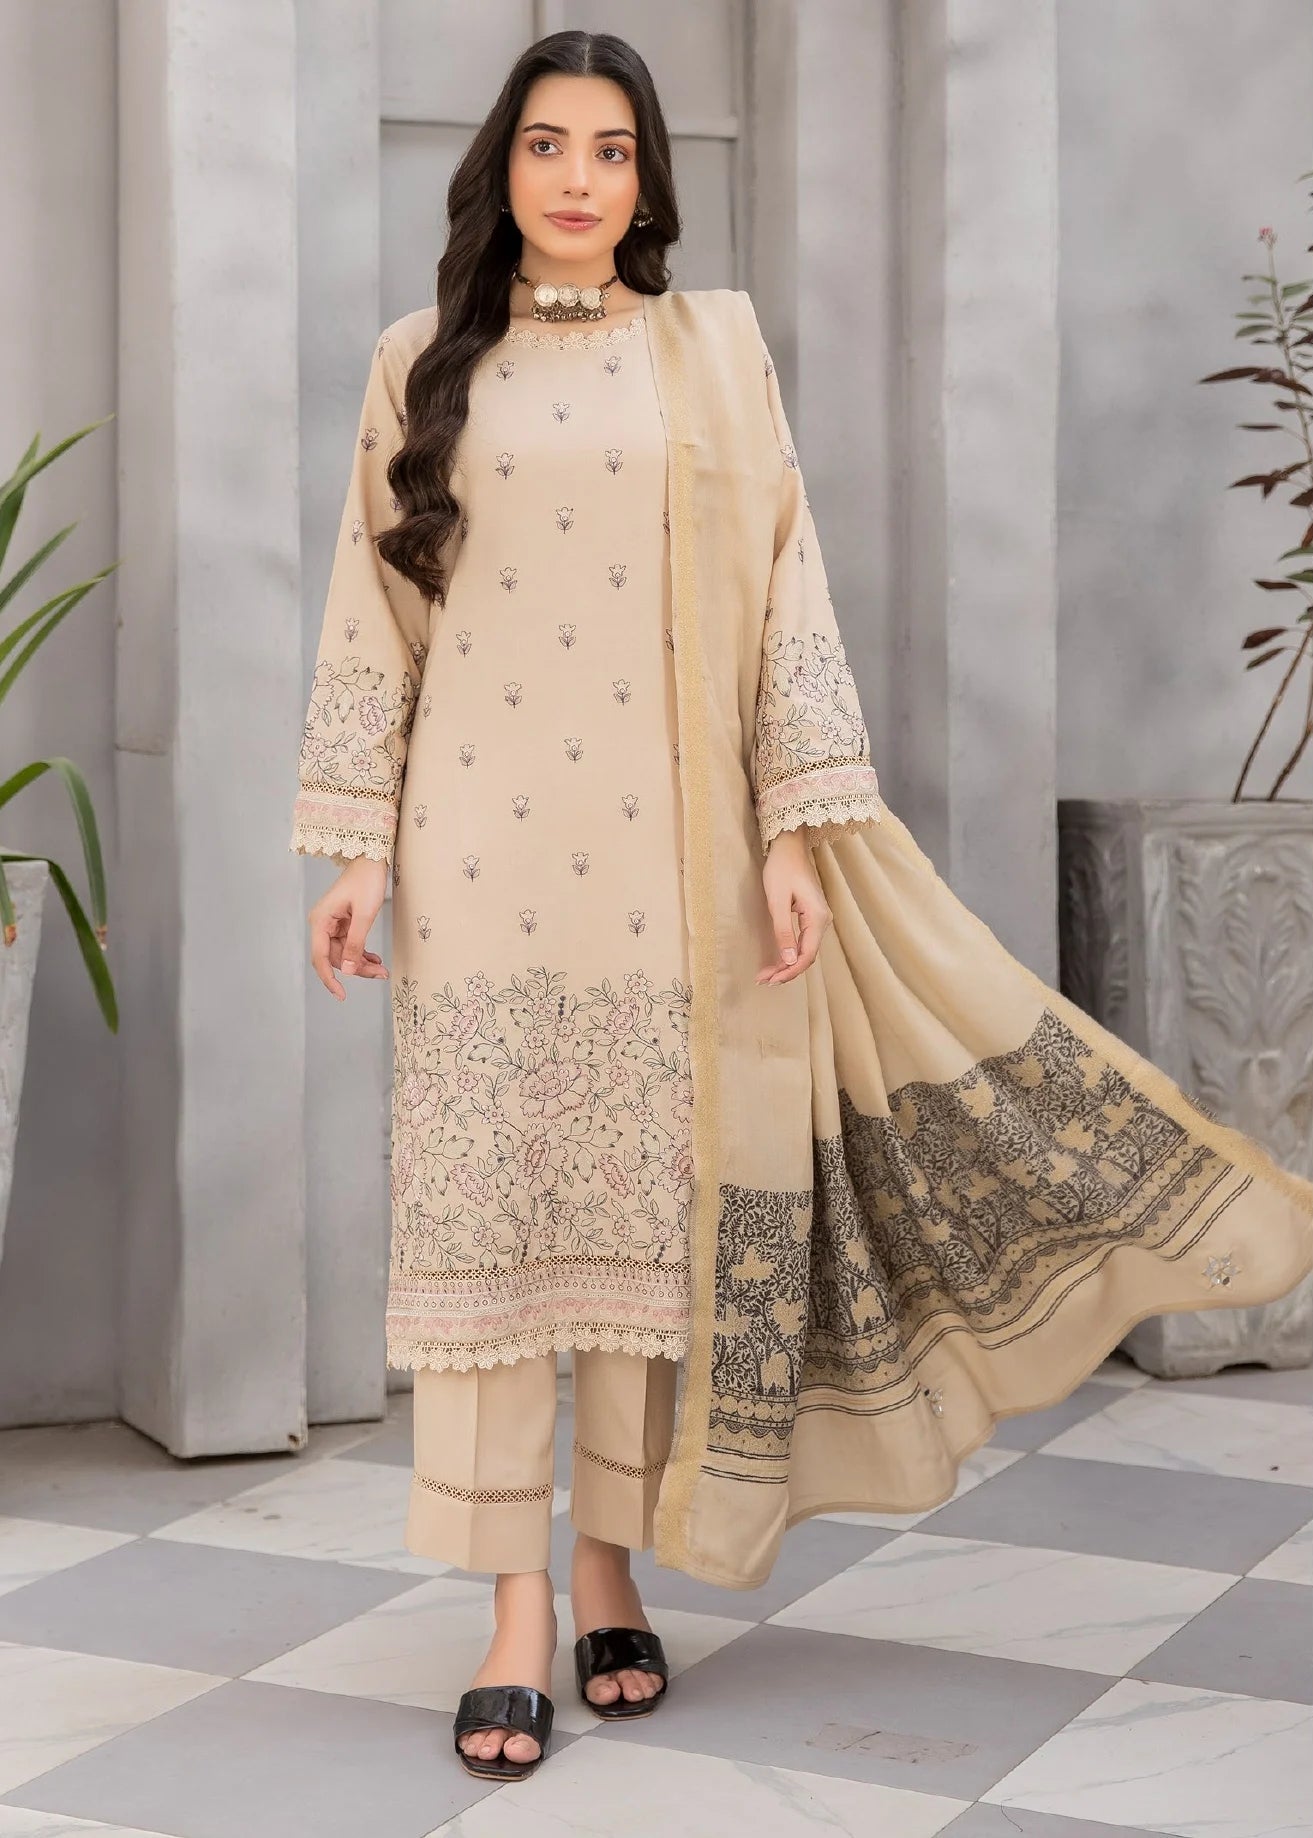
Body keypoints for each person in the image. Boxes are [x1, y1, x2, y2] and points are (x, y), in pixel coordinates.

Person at [291, 29, 1313, 1786]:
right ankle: (510, 1613)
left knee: (637, 1240)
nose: (577, 180)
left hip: (664, 857)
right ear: (501, 168)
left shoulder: (715, 349)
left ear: (649, 180)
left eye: (611, 151)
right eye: (546, 146)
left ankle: (607, 1576)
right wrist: (357, 844)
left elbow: (785, 594)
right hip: (482, 855)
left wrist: (792, 824)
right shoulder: (418, 366)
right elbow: (373, 620)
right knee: (490, 1234)